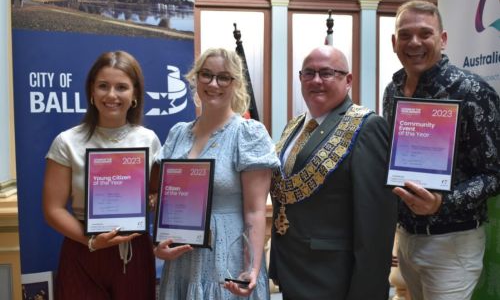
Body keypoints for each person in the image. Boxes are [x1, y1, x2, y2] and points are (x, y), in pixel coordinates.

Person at [383, 0, 500, 300]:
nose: (415, 43)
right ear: (394, 42)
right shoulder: (392, 91)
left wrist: (441, 203)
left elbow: (494, 174)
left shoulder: (472, 92)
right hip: (406, 238)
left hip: (452, 242)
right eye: (406, 35)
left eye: (425, 33)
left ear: (443, 39)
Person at [269, 45, 397, 299]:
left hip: (333, 277)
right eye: (309, 73)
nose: (316, 80)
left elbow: (375, 225)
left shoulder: (367, 127)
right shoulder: (293, 127)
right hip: (292, 269)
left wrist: (366, 292)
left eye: (327, 73)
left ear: (348, 80)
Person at [153, 47, 280, 299]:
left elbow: (255, 211)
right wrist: (159, 245)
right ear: (195, 78)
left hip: (227, 257)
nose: (213, 83)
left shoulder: (248, 134)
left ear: (235, 84)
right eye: (206, 75)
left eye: (224, 77)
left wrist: (252, 268)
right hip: (181, 261)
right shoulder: (178, 133)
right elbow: (165, 198)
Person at [43, 50, 160, 300]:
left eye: (121, 87)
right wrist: (91, 241)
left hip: (134, 252)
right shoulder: (67, 142)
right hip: (83, 251)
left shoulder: (148, 140)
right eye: (103, 86)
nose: (111, 95)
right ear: (92, 92)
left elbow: (155, 194)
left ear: (135, 94)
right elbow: (53, 209)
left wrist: (152, 200)